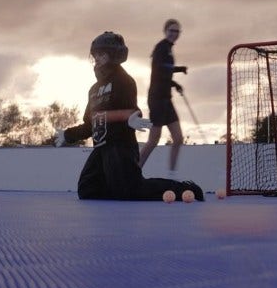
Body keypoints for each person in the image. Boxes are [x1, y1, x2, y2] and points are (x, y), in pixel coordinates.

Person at [55, 31, 202, 201]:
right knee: (88, 190)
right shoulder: (94, 90)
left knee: (130, 190)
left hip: (120, 146)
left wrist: (132, 119)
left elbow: (132, 110)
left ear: (114, 56)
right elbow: (90, 125)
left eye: (101, 54)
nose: (96, 58)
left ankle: (182, 189)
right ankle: (118, 187)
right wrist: (67, 135)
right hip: (101, 148)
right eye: (95, 54)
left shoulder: (123, 81)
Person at [138, 19, 188, 173]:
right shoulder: (161, 48)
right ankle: (134, 171)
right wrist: (175, 84)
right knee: (153, 140)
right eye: (171, 30)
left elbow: (167, 69)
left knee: (178, 138)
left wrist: (179, 70)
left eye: (177, 31)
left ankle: (172, 176)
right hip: (157, 99)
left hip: (167, 99)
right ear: (165, 31)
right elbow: (159, 72)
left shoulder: (168, 49)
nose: (174, 34)